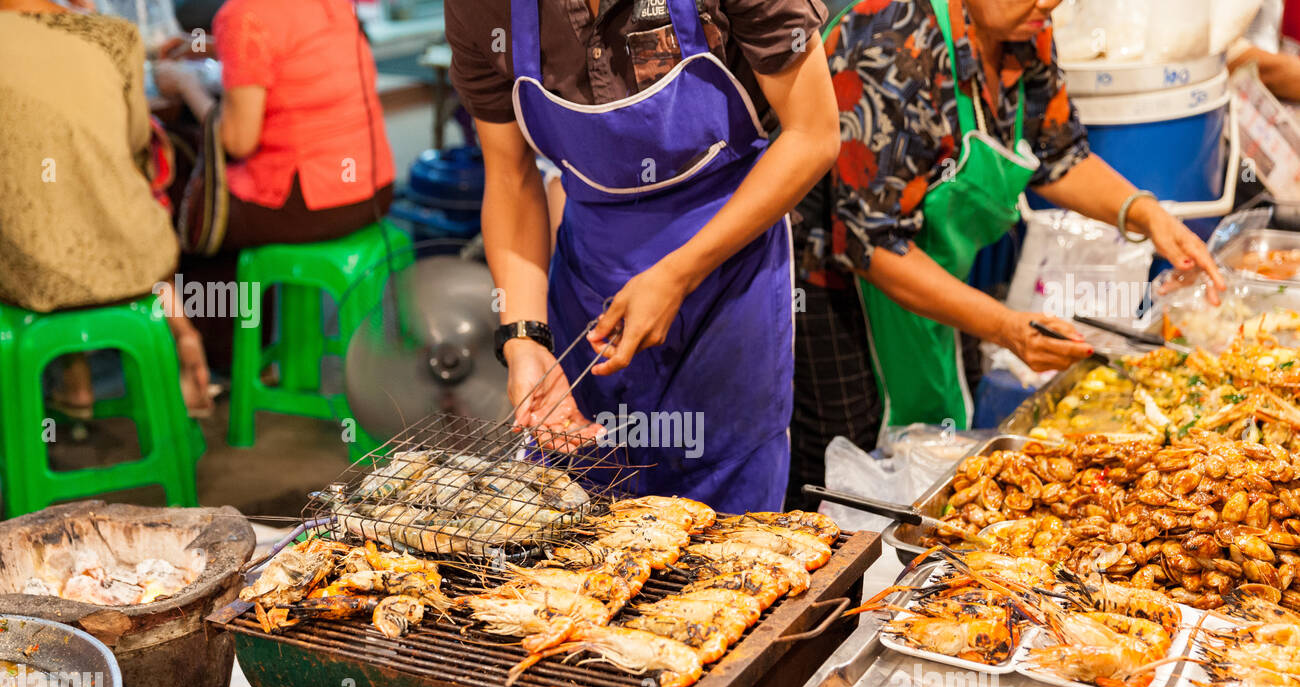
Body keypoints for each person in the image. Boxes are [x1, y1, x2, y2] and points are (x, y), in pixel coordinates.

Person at [787, 0, 1225, 507]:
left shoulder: (1024, 26)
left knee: (940, 450)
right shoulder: (888, 40)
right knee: (847, 469)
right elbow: (873, 243)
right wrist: (1004, 327)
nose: (1050, 3)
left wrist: (1148, 216)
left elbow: (1057, 154)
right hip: (834, 288)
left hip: (935, 269)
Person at [447, 0, 841, 513]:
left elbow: (813, 133)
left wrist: (679, 272)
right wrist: (524, 339)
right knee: (586, 521)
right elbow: (509, 177)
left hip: (729, 284)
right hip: (590, 291)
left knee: (727, 541)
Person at [0, 0, 213, 416]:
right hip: (136, 258)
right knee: (97, 190)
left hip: (31, 275)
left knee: (34, 208)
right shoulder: (114, 36)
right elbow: (134, 142)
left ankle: (73, 382)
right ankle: (185, 338)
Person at [153, 0, 396, 253]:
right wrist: (204, 46)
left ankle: (213, 293)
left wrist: (186, 85)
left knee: (178, 188)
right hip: (373, 191)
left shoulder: (245, 14)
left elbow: (238, 142)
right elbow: (285, 48)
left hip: (312, 205)